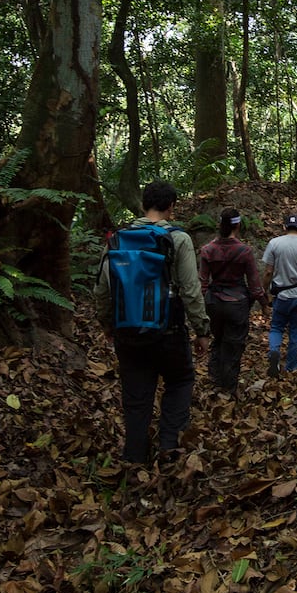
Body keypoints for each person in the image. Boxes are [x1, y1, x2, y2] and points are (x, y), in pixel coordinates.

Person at [95, 181, 211, 464]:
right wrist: (202, 330)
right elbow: (190, 290)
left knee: (136, 395)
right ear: (171, 207)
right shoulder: (178, 239)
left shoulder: (118, 238)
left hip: (128, 331)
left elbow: (102, 289)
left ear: (144, 204)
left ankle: (134, 455)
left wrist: (107, 324)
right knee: (180, 380)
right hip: (168, 331)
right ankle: (169, 446)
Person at [198, 207, 269, 394]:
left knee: (218, 340)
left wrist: (200, 307)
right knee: (233, 346)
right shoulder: (244, 251)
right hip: (236, 304)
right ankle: (228, 389)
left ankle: (214, 381)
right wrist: (263, 303)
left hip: (213, 303)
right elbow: (254, 285)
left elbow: (202, 283)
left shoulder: (207, 250)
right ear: (237, 225)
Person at [261, 212, 297, 376]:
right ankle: (291, 367)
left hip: (282, 296)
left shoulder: (274, 244)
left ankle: (274, 352)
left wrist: (263, 292)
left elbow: (267, 272)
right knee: (295, 331)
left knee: (276, 327)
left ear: (284, 227)